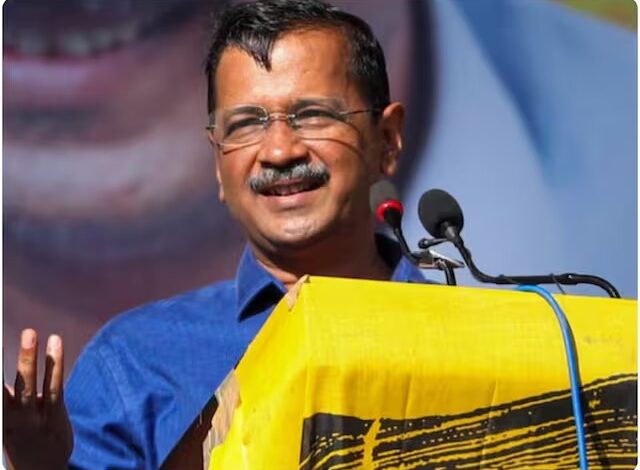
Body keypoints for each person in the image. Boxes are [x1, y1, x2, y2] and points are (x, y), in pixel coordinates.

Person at [3, 1, 430, 469]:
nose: (279, 151)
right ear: (218, 166)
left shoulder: (468, 334)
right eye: (246, 124)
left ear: (387, 140)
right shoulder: (136, 363)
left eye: (312, 115)